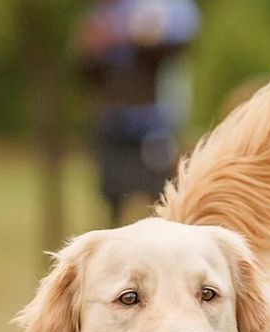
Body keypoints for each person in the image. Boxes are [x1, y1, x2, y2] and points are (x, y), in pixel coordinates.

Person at [75, 0, 200, 225]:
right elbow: (87, 64)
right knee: (113, 201)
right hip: (113, 126)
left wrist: (128, 37)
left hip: (154, 126)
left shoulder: (168, 6)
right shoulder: (104, 12)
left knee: (162, 201)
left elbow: (179, 40)